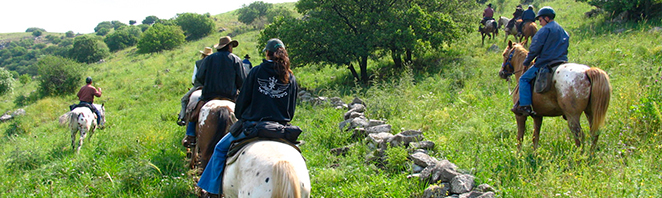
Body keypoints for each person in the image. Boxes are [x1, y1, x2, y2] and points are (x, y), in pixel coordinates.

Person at [197, 38, 298, 197]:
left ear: (267, 53)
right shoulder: (291, 78)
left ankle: (212, 191)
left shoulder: (256, 71)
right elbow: (290, 112)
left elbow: (242, 102)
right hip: (280, 129)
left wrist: (242, 116)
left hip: (253, 127)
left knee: (219, 149)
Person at [183, 36, 246, 148]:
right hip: (230, 97)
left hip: (209, 96)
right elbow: (242, 81)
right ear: (229, 47)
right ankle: (245, 137)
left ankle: (190, 136)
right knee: (244, 115)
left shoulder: (208, 59)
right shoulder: (236, 60)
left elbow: (200, 77)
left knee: (194, 113)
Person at [512, 6, 569, 116]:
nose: (540, 22)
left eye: (541, 20)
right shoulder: (563, 31)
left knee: (523, 79)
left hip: (545, 62)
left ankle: (525, 106)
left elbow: (534, 49)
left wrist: (526, 62)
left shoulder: (544, 30)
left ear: (547, 18)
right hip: (562, 61)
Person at [177, 47, 213, 126]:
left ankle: (183, 118)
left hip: (198, 86)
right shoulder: (214, 63)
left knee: (184, 99)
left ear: (203, 55)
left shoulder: (198, 63)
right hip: (212, 87)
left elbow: (194, 78)